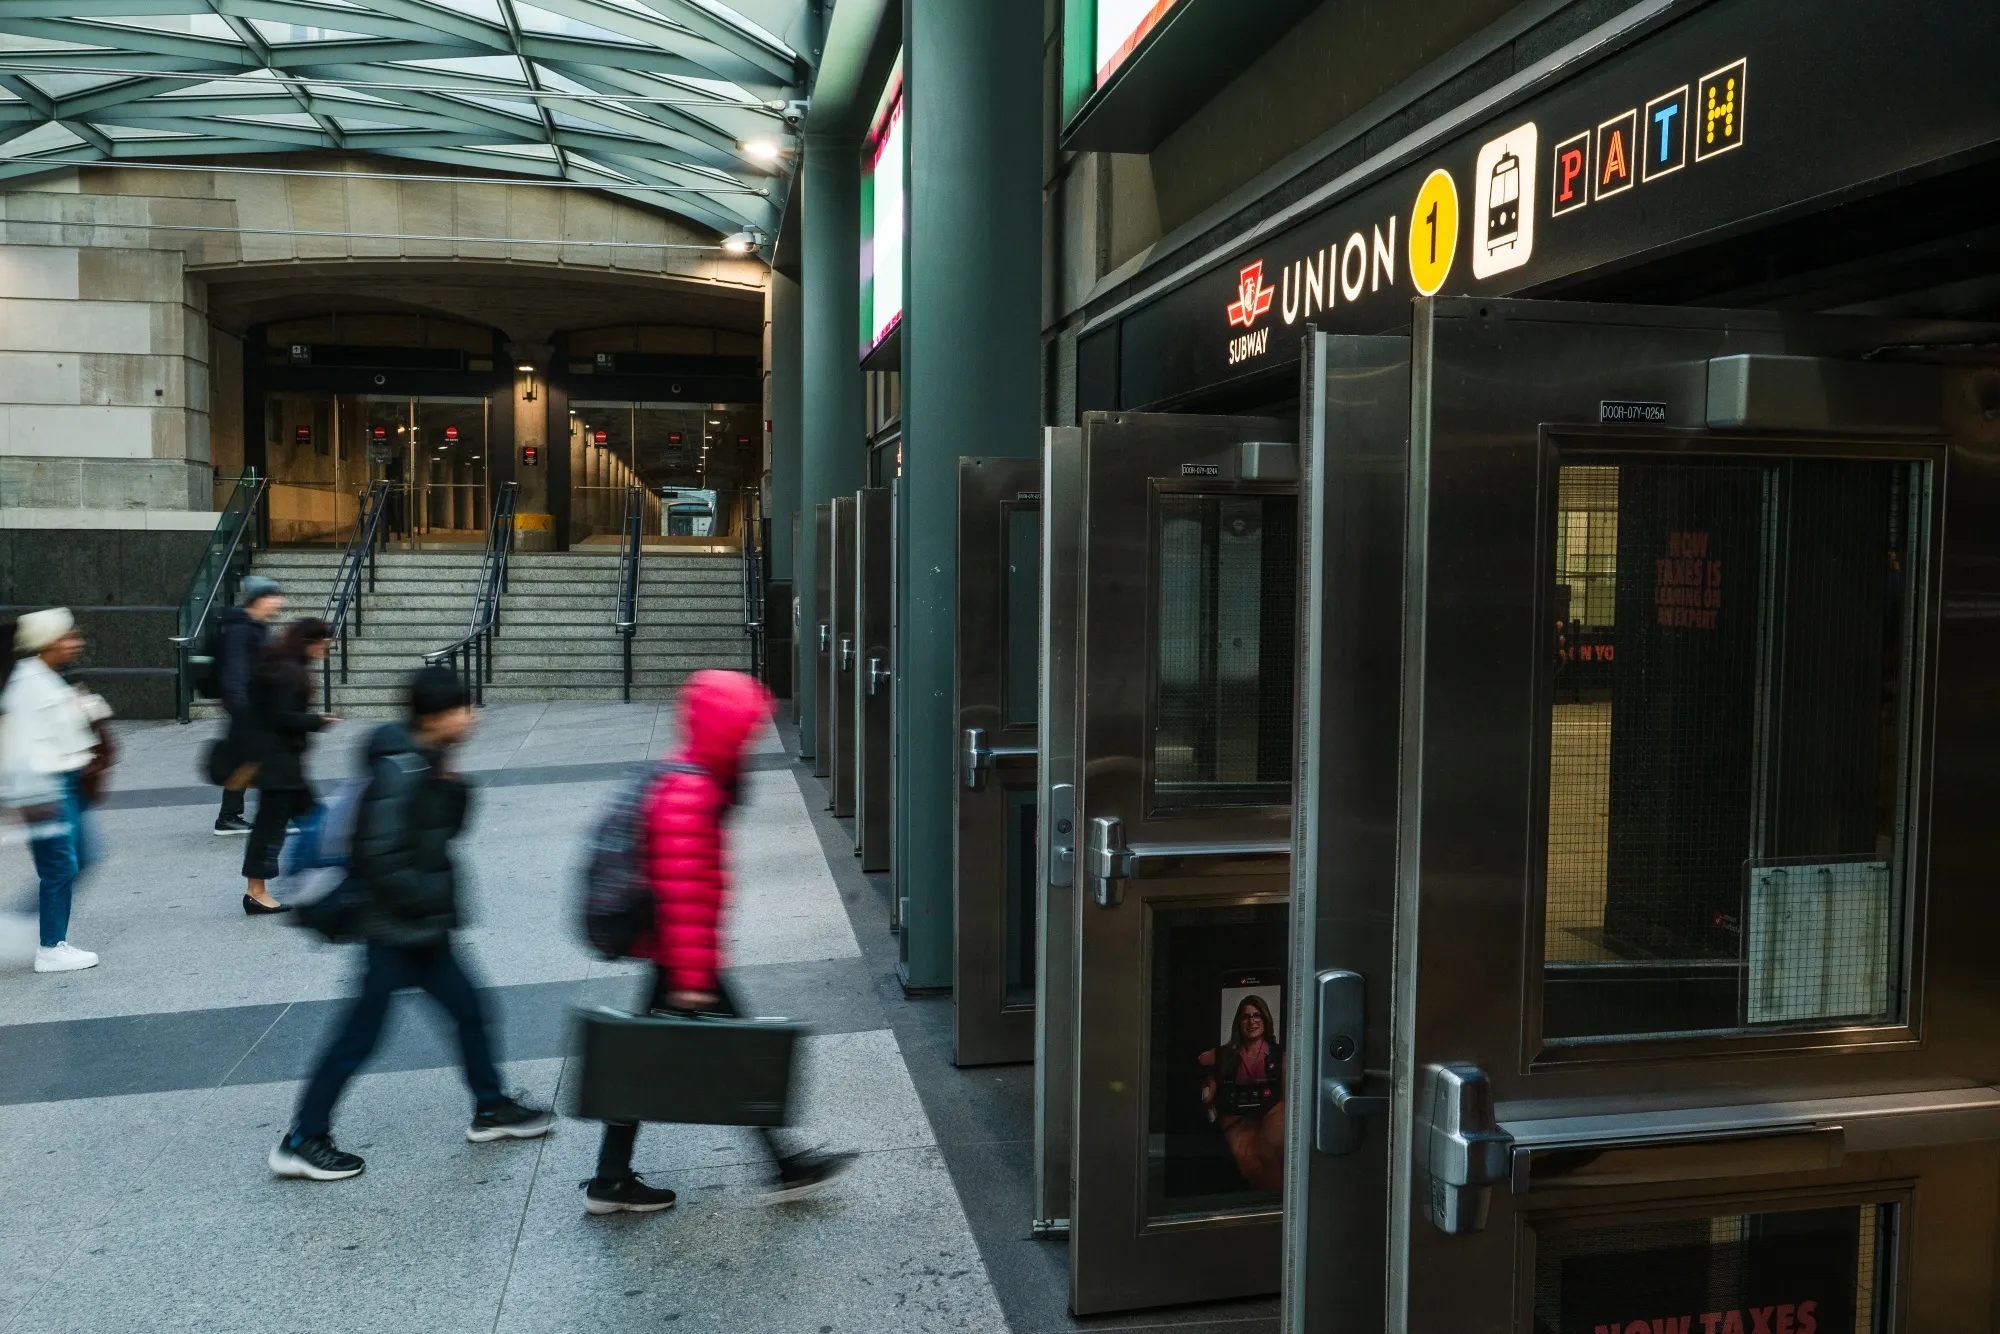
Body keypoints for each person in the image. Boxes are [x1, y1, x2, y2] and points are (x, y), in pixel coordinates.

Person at [583, 668, 855, 1215]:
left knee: (648, 1059)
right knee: (732, 1059)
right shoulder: (692, 793)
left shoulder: (685, 775)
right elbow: (685, 894)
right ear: (725, 731)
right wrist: (692, 981)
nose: (751, 742)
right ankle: (781, 1166)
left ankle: (613, 1177)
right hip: (682, 958)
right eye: (746, 732)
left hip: (676, 955)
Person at [271, 666, 551, 1182]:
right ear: (438, 715)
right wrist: (431, 899)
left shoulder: (424, 762)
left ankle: (490, 1106)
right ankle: (302, 1138)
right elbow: (381, 858)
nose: (474, 716)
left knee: (471, 1011)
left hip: (419, 928)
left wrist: (452, 780)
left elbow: (449, 828)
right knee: (360, 1036)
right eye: (465, 708)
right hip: (394, 930)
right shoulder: (399, 772)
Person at [1, 609, 112, 973]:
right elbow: (18, 746)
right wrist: (33, 797)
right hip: (47, 786)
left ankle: (21, 923)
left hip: (67, 782)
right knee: (60, 866)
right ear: (47, 643)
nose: (74, 643)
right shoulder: (28, 683)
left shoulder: (50, 678)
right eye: (67, 637)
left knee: (83, 857)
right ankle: (50, 946)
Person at [240, 617, 335, 915]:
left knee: (314, 817)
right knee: (271, 827)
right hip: (278, 763)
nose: (327, 651)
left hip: (282, 761)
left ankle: (328, 872)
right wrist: (316, 721)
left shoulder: (283, 665)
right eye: (324, 645)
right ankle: (256, 892)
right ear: (309, 642)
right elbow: (281, 717)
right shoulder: (288, 672)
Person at [215, 576, 285, 836]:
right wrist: (244, 712)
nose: (279, 601)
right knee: (255, 761)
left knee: (252, 761)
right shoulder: (241, 630)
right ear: (258, 599)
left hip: (256, 707)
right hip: (248, 709)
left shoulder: (255, 627)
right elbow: (235, 673)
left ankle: (230, 816)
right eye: (273, 596)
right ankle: (230, 816)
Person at [1198, 994, 1285, 1192]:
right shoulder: (1224, 1054)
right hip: (1235, 1120)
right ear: (1239, 1022)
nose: (1251, 1021)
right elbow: (1202, 1059)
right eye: (1246, 1017)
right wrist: (1209, 1080)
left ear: (1265, 1019)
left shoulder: (1280, 1055)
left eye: (1256, 1016)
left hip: (1269, 1117)